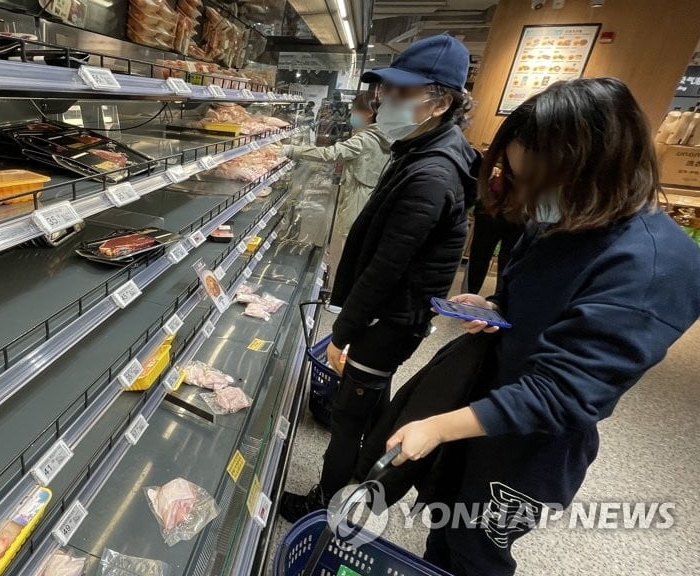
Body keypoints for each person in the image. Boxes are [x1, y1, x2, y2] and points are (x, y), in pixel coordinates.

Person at [387, 77, 700, 576]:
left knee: (479, 551)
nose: (529, 198)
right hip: (487, 410)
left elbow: (567, 392)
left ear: (596, 168)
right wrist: (494, 308)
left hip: (534, 445)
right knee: (444, 529)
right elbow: (531, 295)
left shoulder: (655, 265)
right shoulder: (568, 219)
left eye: (538, 181)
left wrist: (438, 427)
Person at [280, 34, 480, 522]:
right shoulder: (423, 148)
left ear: (442, 102)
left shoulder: (431, 173)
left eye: (403, 93)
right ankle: (364, 463)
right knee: (372, 394)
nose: (386, 100)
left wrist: (344, 331)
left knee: (349, 413)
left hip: (389, 317)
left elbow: (388, 266)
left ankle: (325, 502)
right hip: (397, 315)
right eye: (386, 89)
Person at [282, 92, 391, 280]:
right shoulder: (384, 136)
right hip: (369, 194)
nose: (352, 115)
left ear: (368, 113)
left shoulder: (365, 138)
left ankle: (336, 293)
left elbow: (332, 153)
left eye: (355, 110)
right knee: (355, 245)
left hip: (357, 195)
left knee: (348, 246)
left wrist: (292, 150)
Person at [463, 173, 525, 294]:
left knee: (480, 256)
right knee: (506, 260)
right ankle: (497, 303)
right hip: (516, 208)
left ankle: (467, 299)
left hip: (495, 204)